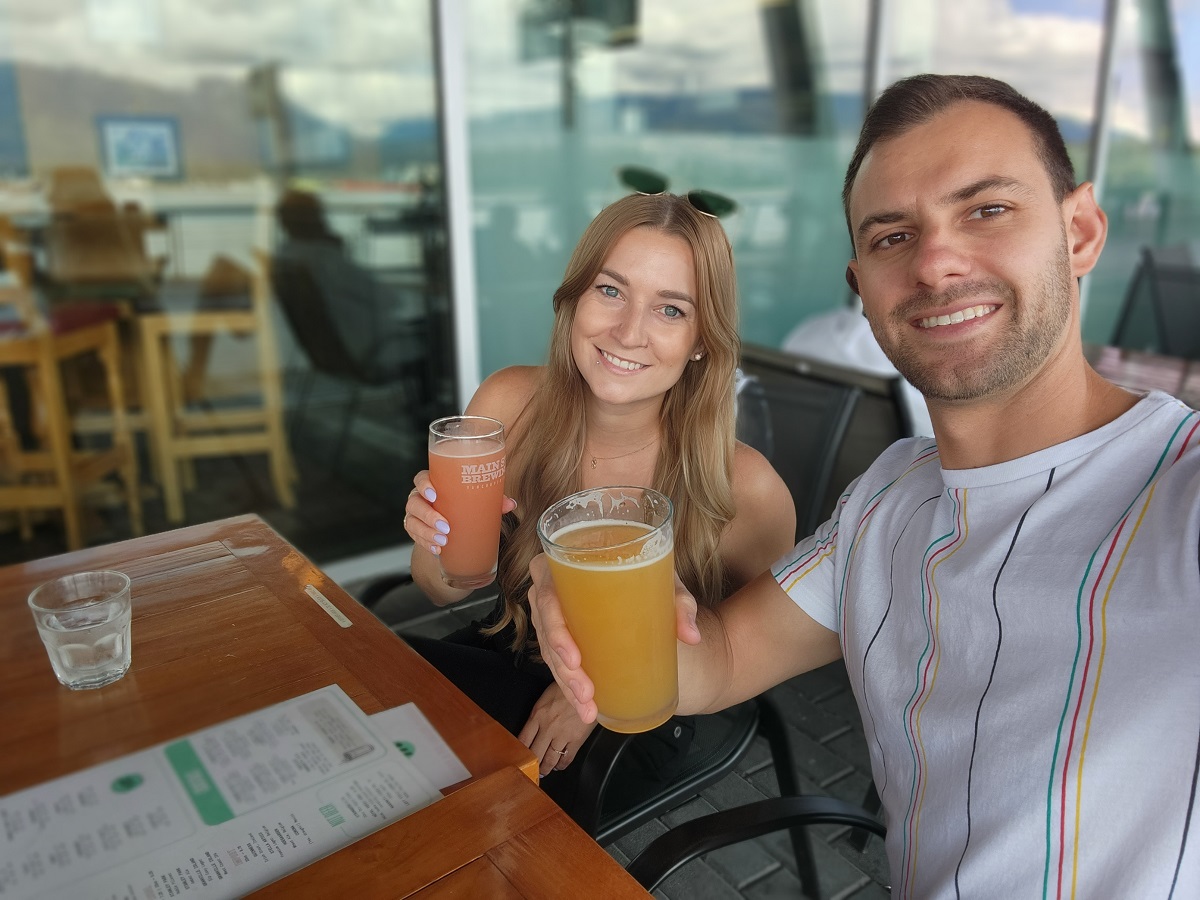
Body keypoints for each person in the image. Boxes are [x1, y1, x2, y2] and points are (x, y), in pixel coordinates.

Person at [529, 74, 1200, 897]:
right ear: (862, 289)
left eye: (986, 210)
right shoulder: (886, 501)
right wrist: (612, 615)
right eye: (891, 237)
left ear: (1082, 231)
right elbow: (723, 659)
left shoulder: (1177, 492)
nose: (935, 260)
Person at [401, 191, 796, 804]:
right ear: (574, 302)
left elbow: (744, 649)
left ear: (700, 340)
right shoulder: (511, 406)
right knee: (372, 703)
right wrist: (439, 542)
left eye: (670, 309)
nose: (629, 331)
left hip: (636, 714)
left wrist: (590, 693)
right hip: (505, 645)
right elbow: (439, 586)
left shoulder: (745, 487)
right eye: (610, 291)